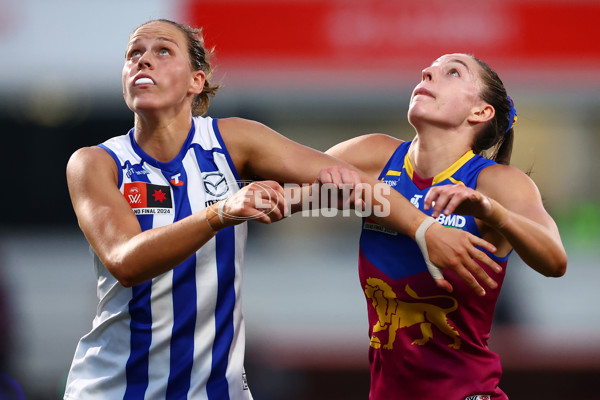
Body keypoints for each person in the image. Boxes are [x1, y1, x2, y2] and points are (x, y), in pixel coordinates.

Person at [63, 20, 502, 400]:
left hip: (217, 390)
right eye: (133, 54)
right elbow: (125, 261)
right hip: (111, 386)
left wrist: (424, 230)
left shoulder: (232, 140)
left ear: (197, 80)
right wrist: (222, 211)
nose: (143, 60)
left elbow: (352, 181)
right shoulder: (95, 162)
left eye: (162, 51)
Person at [321, 53, 567, 399]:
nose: (427, 72)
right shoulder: (375, 153)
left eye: (452, 72)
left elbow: (555, 261)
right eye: (429, 69)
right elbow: (284, 181)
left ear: (480, 112)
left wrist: (495, 213)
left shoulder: (496, 182)